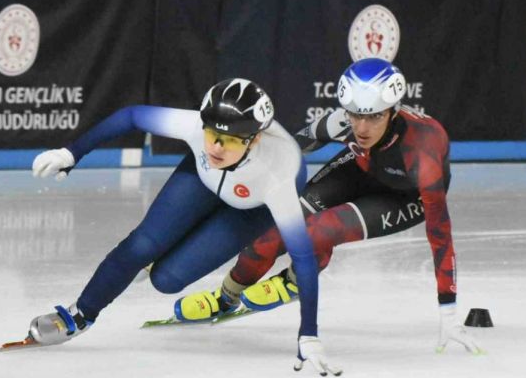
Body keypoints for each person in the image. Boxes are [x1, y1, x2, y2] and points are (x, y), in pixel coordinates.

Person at [26, 78, 341, 375]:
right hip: (202, 179)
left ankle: (151, 264)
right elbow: (132, 116)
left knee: (167, 280)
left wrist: (309, 334)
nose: (216, 148)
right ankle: (80, 314)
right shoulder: (197, 130)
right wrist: (71, 153)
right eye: (211, 134)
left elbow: (302, 257)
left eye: (230, 140)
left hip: (251, 208)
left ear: (255, 139)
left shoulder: (278, 177)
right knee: (141, 246)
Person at [176, 58, 482, 363]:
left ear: (392, 110)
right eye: (355, 115)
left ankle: (294, 281)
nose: (361, 127)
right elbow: (290, 149)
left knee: (317, 231)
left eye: (374, 117)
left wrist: (449, 310)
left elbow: (440, 235)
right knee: (271, 230)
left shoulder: (423, 151)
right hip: (360, 169)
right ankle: (226, 297)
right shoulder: (341, 121)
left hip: (403, 197)